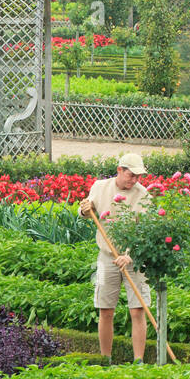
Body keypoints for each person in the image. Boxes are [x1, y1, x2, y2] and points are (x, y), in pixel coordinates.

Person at [78, 152, 152, 363]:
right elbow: (86, 210)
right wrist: (84, 210)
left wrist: (129, 255)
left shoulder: (143, 195)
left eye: (138, 176)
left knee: (138, 310)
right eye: (131, 175)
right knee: (106, 309)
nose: (135, 180)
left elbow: (145, 232)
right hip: (106, 258)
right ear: (120, 170)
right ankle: (105, 361)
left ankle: (139, 362)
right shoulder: (100, 187)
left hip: (134, 259)